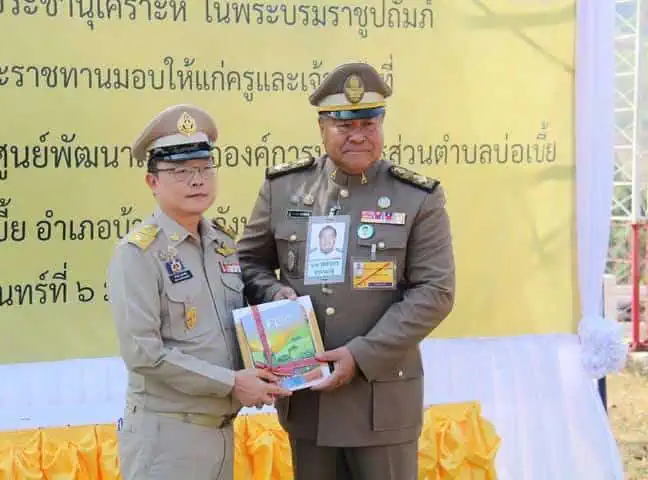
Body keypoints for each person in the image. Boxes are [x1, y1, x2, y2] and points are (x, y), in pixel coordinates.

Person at [236, 62, 456, 479]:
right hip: (308, 400)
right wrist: (275, 296)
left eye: (369, 122)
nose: (358, 134)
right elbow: (248, 264)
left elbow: (436, 292)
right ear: (322, 127)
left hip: (382, 403)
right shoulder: (284, 189)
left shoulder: (417, 197)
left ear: (382, 124)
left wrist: (361, 355)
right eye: (344, 124)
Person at [107, 104, 292, 480]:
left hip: (220, 433)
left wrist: (279, 310)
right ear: (152, 182)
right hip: (168, 439)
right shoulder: (139, 253)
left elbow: (232, 327)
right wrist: (234, 383)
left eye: (204, 168)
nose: (197, 180)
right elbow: (144, 353)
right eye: (180, 171)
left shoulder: (222, 245)